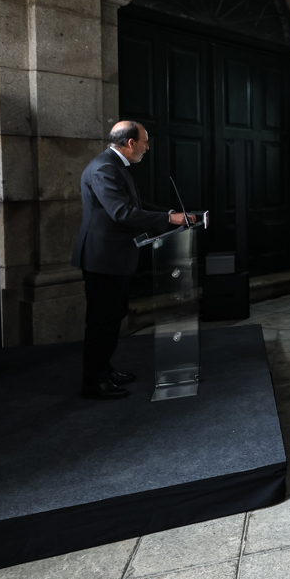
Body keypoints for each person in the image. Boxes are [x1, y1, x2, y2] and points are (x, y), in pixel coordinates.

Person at [70, 121, 195, 399]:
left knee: (113, 318)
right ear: (130, 143)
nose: (147, 147)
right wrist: (168, 219)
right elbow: (122, 213)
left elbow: (136, 205)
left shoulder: (115, 165)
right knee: (102, 322)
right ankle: (93, 382)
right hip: (102, 259)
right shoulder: (104, 168)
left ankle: (104, 369)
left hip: (114, 257)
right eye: (145, 142)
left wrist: (173, 215)